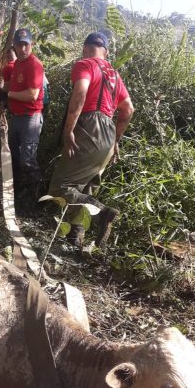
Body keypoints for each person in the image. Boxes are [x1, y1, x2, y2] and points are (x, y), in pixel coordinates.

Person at [48, 31, 134, 247]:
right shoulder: (114, 74)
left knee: (61, 187)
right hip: (108, 131)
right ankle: (76, 237)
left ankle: (102, 213)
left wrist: (69, 130)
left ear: (86, 48)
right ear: (105, 52)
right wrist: (115, 141)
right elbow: (128, 110)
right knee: (85, 187)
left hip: (89, 125)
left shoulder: (85, 64)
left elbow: (80, 93)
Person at [7, 28, 44, 190]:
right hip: (16, 116)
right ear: (14, 45)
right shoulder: (17, 64)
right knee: (14, 155)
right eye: (19, 45)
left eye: (25, 45)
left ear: (31, 45)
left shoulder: (34, 65)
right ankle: (19, 192)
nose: (22, 49)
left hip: (30, 117)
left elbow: (32, 95)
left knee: (27, 160)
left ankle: (36, 198)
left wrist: (8, 94)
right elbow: (13, 86)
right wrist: (0, 86)